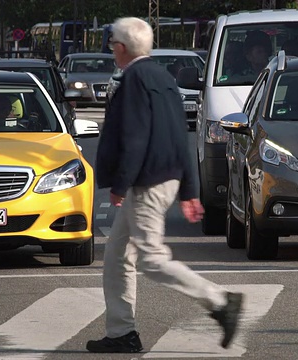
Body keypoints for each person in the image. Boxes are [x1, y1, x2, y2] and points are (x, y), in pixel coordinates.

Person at [88, 17, 244, 354]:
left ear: (122, 47)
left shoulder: (133, 80)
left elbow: (134, 138)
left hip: (146, 182)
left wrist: (120, 183)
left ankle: (220, 301)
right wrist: (188, 189)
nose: (111, 48)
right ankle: (121, 332)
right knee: (117, 256)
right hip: (162, 178)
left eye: (112, 42)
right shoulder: (163, 77)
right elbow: (179, 135)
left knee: (152, 260)